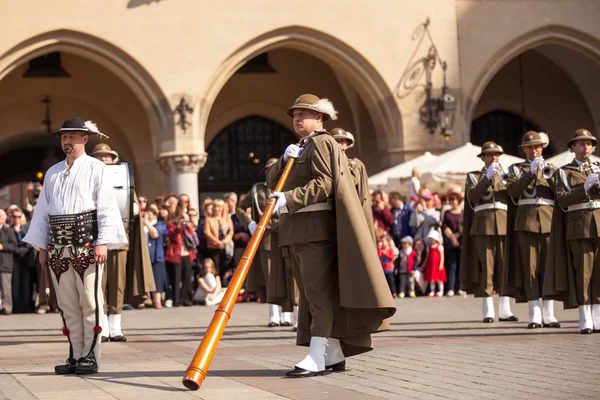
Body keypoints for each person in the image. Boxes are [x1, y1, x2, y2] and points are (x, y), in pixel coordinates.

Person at [266, 94, 395, 378]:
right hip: (296, 229)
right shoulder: (301, 146)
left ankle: (317, 354)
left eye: (304, 114)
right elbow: (272, 181)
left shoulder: (323, 142)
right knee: (312, 297)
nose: (298, 119)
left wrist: (289, 199)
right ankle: (334, 352)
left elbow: (325, 182)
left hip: (313, 228)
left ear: (320, 118)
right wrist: (281, 162)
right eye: (295, 115)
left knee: (318, 295)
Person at [23, 117, 127, 374]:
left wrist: (102, 242)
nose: (67, 141)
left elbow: (105, 205)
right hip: (59, 247)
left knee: (90, 301)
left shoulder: (96, 168)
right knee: (67, 304)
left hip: (87, 244)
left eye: (71, 137)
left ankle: (91, 356)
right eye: (63, 137)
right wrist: (43, 248)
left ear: (84, 138)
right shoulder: (53, 172)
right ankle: (76, 354)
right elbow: (43, 212)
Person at [546, 129, 600, 334]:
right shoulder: (564, 172)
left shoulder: (598, 167)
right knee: (584, 274)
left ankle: (597, 316)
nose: (586, 147)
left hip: (599, 225)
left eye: (589, 143)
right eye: (581, 143)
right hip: (580, 227)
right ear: (572, 148)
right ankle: (584, 316)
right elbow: (562, 200)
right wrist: (583, 187)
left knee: (599, 273)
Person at [460, 141, 519, 323]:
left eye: (497, 155)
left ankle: (505, 310)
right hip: (483, 225)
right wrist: (487, 178)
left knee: (504, 267)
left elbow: (515, 195)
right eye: (490, 155)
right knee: (487, 268)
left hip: (503, 224)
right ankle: (488, 310)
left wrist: (503, 178)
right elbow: (473, 197)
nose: (494, 158)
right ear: (483, 158)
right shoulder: (474, 176)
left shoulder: (507, 175)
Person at [506, 131, 560, 329]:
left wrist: (547, 171)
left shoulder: (552, 168)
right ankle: (534, 313)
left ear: (542, 148)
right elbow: (513, 192)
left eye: (537, 147)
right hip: (526, 222)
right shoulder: (516, 170)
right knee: (530, 269)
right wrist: (530, 173)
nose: (534, 150)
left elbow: (559, 192)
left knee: (548, 268)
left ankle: (549, 312)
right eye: (530, 147)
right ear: (524, 149)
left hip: (548, 222)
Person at [236, 158, 296, 327]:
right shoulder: (257, 189)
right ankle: (274, 316)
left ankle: (290, 316)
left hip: (286, 234)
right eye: (269, 169)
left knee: (290, 275)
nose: (272, 171)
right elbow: (240, 207)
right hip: (268, 236)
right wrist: (250, 223)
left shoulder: (289, 186)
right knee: (271, 277)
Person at [0, 209, 17, 315]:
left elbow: (14, 246)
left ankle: (7, 308)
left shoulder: (8, 230)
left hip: (5, 263)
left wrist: (3, 247)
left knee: (6, 288)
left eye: (1, 216)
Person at [422, 229, 446, 298]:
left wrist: (441, 264)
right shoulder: (428, 248)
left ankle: (441, 291)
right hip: (431, 266)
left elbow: (442, 256)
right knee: (432, 279)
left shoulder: (440, 247)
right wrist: (424, 265)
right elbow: (427, 257)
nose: (431, 241)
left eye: (432, 239)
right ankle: (432, 291)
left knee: (439, 279)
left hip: (437, 265)